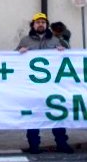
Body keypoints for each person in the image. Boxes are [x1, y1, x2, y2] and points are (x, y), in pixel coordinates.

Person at [16, 12, 74, 154]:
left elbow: (68, 57)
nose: (40, 24)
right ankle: (34, 144)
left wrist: (63, 51)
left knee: (56, 113)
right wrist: (19, 52)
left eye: (43, 22)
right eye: (38, 22)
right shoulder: (25, 40)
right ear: (33, 25)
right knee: (33, 114)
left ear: (47, 25)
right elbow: (13, 58)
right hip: (32, 85)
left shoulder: (55, 40)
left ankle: (61, 142)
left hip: (52, 85)